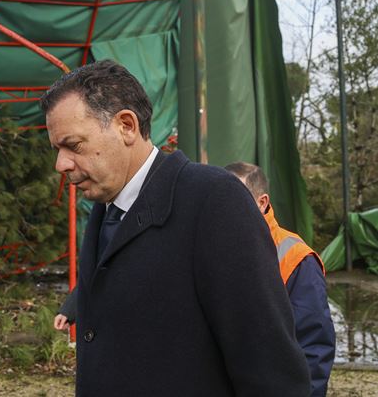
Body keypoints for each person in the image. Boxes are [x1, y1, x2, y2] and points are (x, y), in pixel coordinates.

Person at [40, 59, 310, 396]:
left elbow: (272, 371)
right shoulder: (105, 210)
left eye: (74, 145)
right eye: (57, 149)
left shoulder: (213, 200)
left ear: (126, 126)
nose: (61, 164)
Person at [224, 161, 335, 396]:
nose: (226, 209)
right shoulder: (212, 246)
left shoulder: (296, 258)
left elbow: (314, 347)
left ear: (262, 202)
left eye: (237, 200)